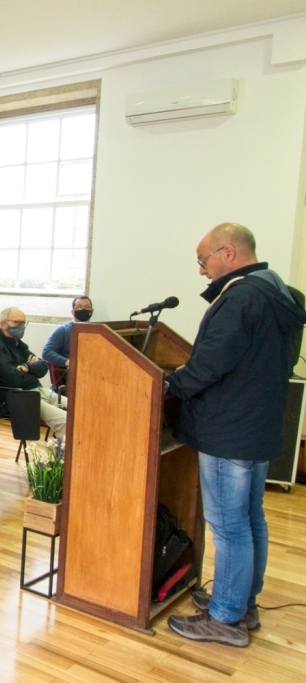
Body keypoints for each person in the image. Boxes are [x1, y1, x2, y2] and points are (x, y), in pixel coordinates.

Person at [165, 223, 306, 647]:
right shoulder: (283, 294)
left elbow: (210, 365)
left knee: (228, 526)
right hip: (258, 425)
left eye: (203, 260)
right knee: (249, 519)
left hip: (229, 430)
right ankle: (242, 603)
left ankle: (225, 618)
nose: (202, 271)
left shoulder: (241, 296)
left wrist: (172, 384)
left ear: (228, 253)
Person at [0, 307, 67, 436]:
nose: (21, 326)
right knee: (65, 421)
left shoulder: (18, 343)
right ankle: (62, 454)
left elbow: (43, 366)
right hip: (16, 397)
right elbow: (13, 378)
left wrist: (25, 368)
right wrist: (32, 370)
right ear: (3, 324)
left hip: (36, 391)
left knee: (79, 409)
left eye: (24, 323)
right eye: (17, 322)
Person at [43, 296, 93, 370]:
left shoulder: (99, 331)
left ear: (92, 311)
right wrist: (69, 363)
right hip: (71, 373)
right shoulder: (63, 330)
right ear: (73, 312)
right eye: (79, 307)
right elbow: (47, 352)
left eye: (87, 307)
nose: (83, 309)